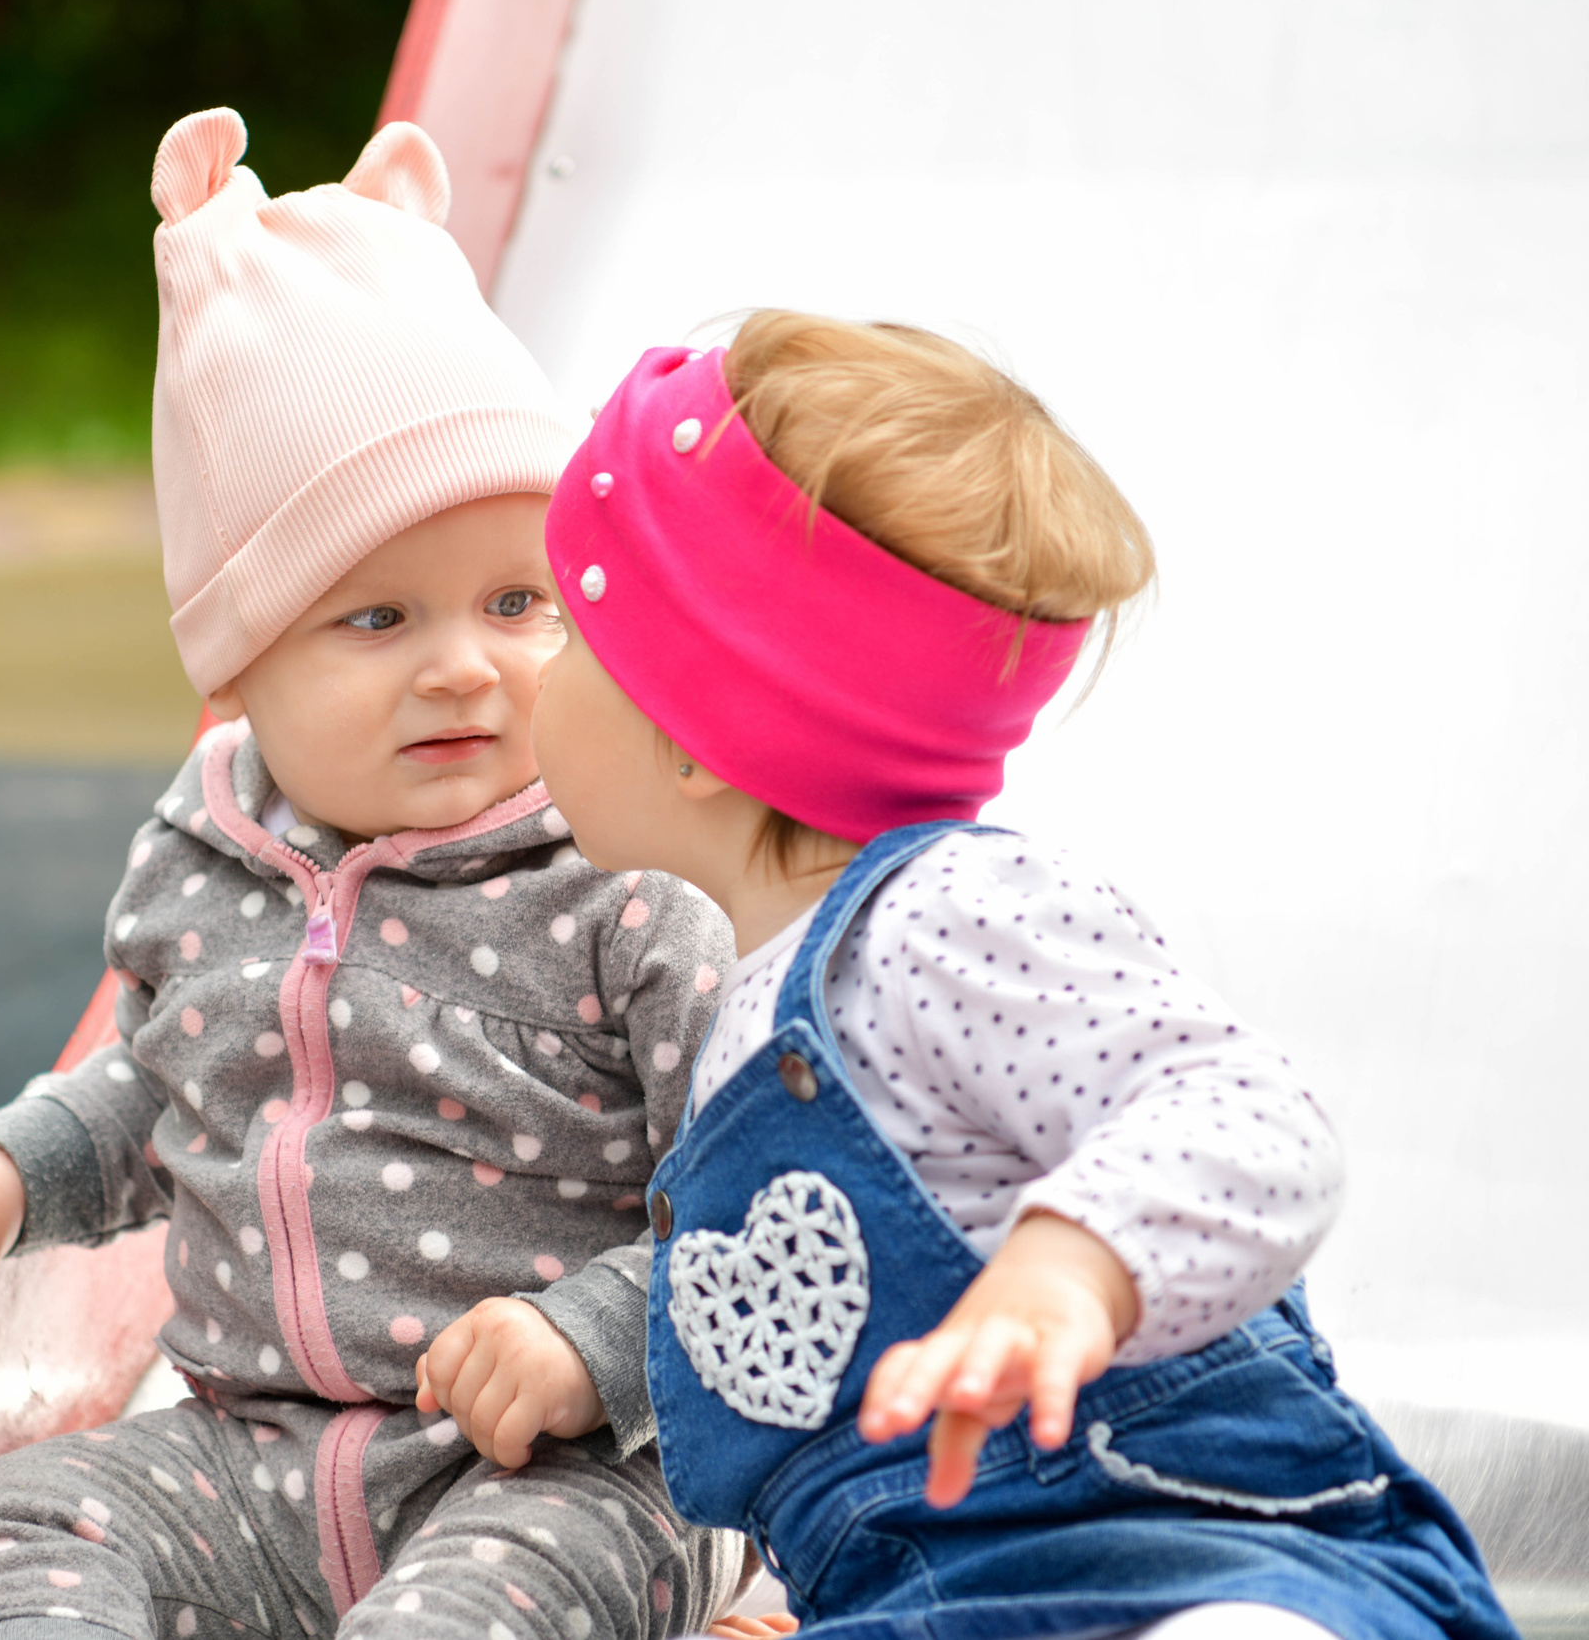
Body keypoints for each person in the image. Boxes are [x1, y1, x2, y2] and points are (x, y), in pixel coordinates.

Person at [0, 109, 763, 1640]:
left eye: (515, 599)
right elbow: (165, 1085)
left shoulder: (625, 882)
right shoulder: (205, 848)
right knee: (12, 1518)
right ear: (240, 662)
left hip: (559, 1468)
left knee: (481, 1609)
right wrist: (8, 1169)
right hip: (253, 1459)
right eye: (377, 621)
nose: (464, 668)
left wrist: (591, 1340)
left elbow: (753, 1204)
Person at [527, 314, 1517, 1640]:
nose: (532, 676)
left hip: (1161, 1533)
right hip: (930, 1589)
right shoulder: (755, 1008)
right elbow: (838, 1395)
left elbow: (1251, 1122)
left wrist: (1068, 1273)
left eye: (569, 636)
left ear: (694, 727)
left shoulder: (945, 916)